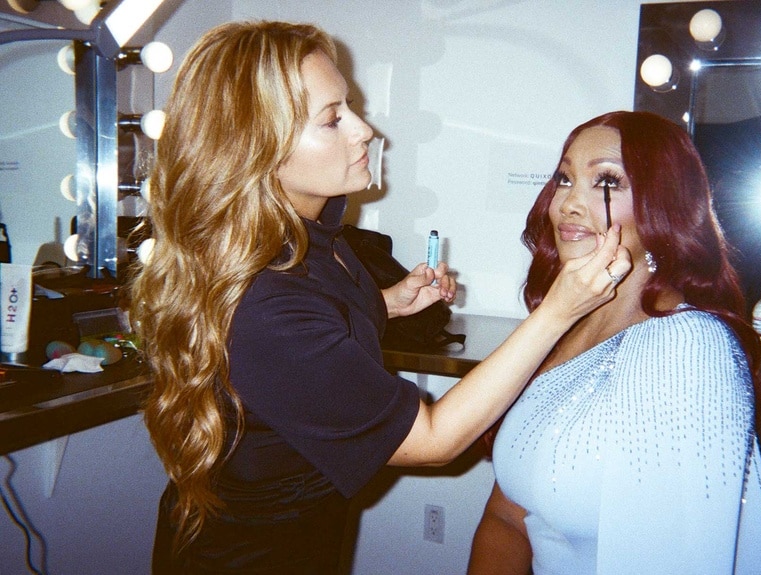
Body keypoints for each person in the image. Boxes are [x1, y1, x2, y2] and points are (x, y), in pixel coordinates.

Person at [129, 21, 632, 574]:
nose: (365, 129)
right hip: (246, 558)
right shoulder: (265, 305)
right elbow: (432, 440)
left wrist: (387, 302)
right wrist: (560, 309)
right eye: (332, 119)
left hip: (310, 539)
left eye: (351, 107)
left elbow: (318, 312)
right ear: (257, 147)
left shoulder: (315, 236)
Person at [467, 111, 761, 575]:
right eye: (564, 179)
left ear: (663, 206)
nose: (569, 204)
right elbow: (508, 516)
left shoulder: (689, 350)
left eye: (606, 182)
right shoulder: (559, 330)